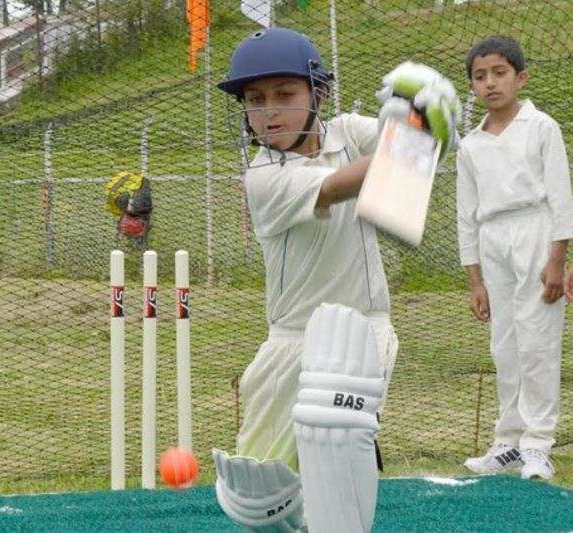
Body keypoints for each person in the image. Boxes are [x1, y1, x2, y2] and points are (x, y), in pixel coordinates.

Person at [212, 27, 459, 531]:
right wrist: (413, 126)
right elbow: (349, 182)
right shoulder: (264, 178)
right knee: (260, 500)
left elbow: (414, 163)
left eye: (284, 95)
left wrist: (431, 130)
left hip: (361, 328)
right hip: (291, 340)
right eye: (255, 100)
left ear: (318, 95)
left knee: (337, 437)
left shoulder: (349, 131)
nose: (268, 112)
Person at [457, 36, 573, 481]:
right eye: (480, 76)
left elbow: (561, 197)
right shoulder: (470, 145)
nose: (490, 83)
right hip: (493, 240)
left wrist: (556, 259)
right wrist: (475, 280)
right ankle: (507, 441)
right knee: (504, 344)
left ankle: (538, 446)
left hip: (536, 233)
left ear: (520, 78)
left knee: (538, 342)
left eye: (500, 73)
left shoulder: (542, 127)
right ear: (471, 86)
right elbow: (466, 215)